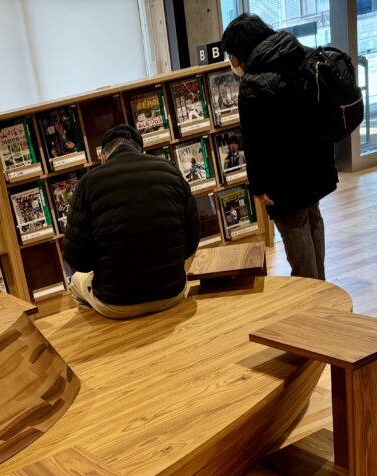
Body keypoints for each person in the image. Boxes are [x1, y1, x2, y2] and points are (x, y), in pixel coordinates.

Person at [222, 13, 338, 280]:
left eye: (231, 55)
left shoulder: (252, 83)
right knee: (313, 219)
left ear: (242, 51)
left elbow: (255, 142)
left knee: (295, 228)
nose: (232, 62)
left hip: (284, 177)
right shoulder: (302, 54)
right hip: (316, 161)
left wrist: (258, 187)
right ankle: (321, 286)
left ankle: (310, 294)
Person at [62, 124, 198, 319]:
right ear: (141, 150)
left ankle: (104, 334)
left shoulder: (88, 182)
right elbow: (191, 241)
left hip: (116, 302)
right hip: (172, 292)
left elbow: (77, 258)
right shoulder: (170, 171)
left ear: (103, 156)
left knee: (76, 281)